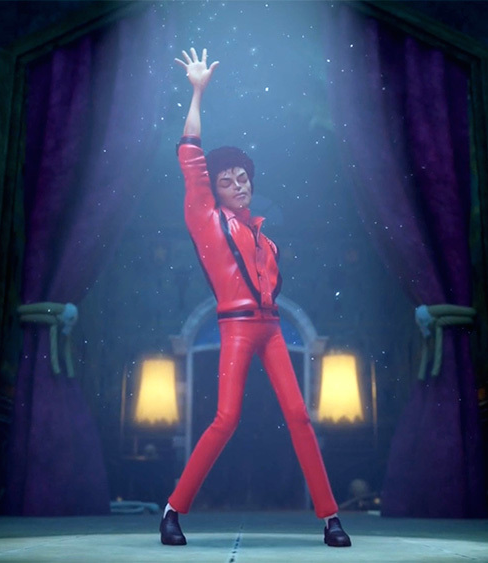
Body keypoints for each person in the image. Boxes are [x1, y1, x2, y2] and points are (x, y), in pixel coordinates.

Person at [159, 47, 351, 548]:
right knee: (226, 418)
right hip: (236, 327)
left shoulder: (263, 237)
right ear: (216, 191)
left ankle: (330, 517)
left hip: (271, 327)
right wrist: (197, 93)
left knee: (300, 416)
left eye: (242, 178)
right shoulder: (206, 220)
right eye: (226, 181)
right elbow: (190, 159)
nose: (237, 185)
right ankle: (173, 510)